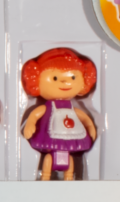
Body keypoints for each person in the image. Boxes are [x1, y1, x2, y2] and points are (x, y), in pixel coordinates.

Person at [22, 48, 98, 181]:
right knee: (49, 158)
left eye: (73, 77)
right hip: (51, 137)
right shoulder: (47, 107)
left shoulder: (72, 108)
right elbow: (35, 115)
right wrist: (30, 124)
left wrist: (90, 127)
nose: (64, 82)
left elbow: (85, 118)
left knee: (69, 160)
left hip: (71, 136)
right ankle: (45, 177)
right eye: (55, 78)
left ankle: (69, 178)